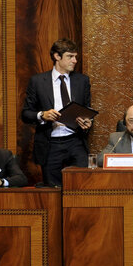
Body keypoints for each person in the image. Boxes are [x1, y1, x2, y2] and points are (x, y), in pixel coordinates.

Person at [21, 38, 93, 187]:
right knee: (53, 191)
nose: (74, 60)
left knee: (82, 187)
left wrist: (88, 121)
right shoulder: (38, 81)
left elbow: (87, 110)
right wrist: (42, 115)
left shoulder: (82, 81)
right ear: (57, 57)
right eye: (70, 56)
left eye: (75, 57)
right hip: (50, 145)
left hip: (76, 142)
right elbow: (25, 114)